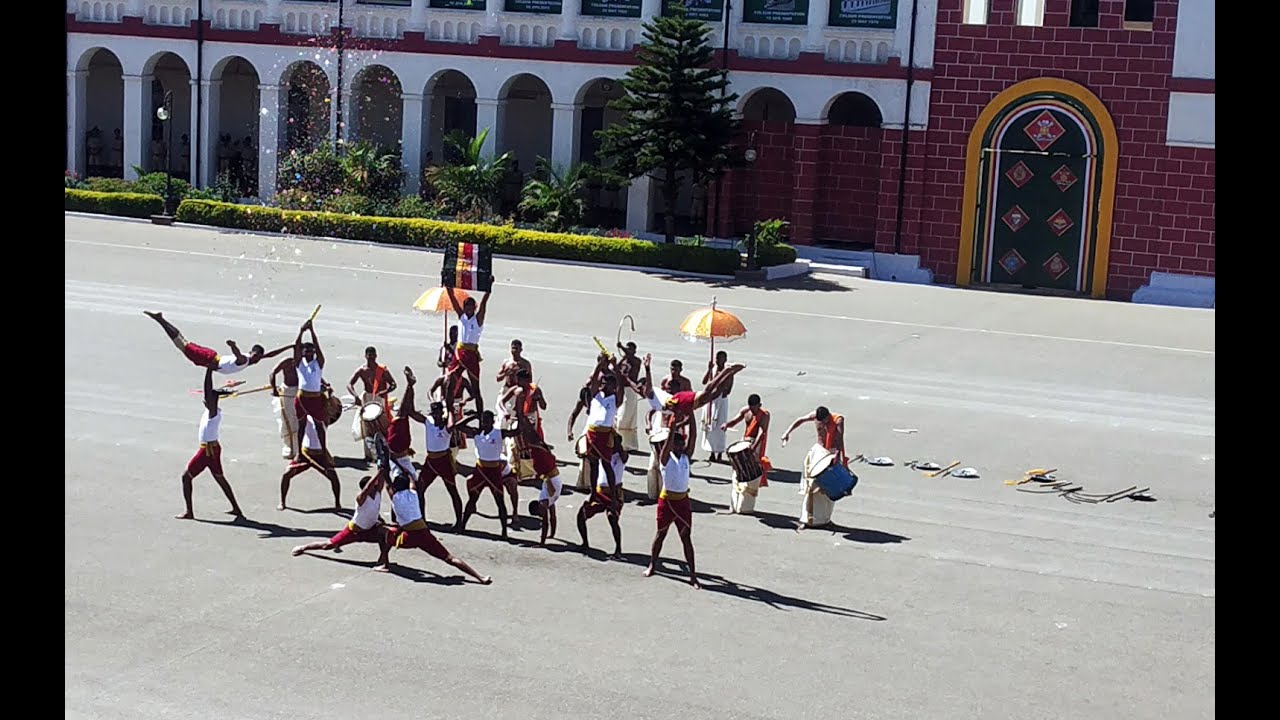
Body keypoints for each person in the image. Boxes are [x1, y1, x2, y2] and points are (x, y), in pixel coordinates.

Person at [375, 448, 493, 584]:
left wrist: (383, 464)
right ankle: (480, 578)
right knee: (449, 558)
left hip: (409, 536)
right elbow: (410, 476)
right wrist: (399, 464)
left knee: (383, 533)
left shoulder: (394, 496)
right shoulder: (414, 493)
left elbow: (386, 480)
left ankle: (384, 562)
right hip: (424, 532)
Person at [176, 367, 244, 520]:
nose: (204, 400)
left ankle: (189, 512)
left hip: (207, 451)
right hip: (212, 449)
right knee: (220, 478)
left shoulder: (213, 412)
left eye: (207, 399)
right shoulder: (211, 411)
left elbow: (208, 391)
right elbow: (211, 393)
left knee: (186, 477)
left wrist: (209, 372)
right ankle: (236, 508)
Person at [644, 414, 700, 589]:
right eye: (678, 443)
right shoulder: (665, 459)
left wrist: (690, 416)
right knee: (661, 534)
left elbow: (693, 437)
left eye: (682, 444)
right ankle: (652, 565)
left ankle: (692, 575)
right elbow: (667, 446)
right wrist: (673, 426)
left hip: (683, 501)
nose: (682, 446)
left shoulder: (685, 458)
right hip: (667, 501)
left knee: (686, 538)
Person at [145, 311, 287, 374]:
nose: (257, 359)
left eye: (258, 357)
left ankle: (161, 320)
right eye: (256, 356)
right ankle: (160, 320)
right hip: (209, 358)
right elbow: (238, 356)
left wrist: (290, 346)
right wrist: (233, 346)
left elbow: (271, 355)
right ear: (251, 352)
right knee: (182, 344)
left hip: (209, 358)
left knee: (183, 343)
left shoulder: (253, 360)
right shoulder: (246, 359)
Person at [290, 470, 389, 560]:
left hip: (370, 529)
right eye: (373, 486)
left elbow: (382, 479)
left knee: (386, 537)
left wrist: (383, 467)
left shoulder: (377, 493)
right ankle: (303, 547)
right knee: (327, 545)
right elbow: (367, 488)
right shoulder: (361, 498)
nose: (376, 487)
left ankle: (383, 559)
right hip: (354, 531)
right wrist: (379, 472)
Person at [455, 410, 521, 539]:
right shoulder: (476, 432)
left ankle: (504, 532)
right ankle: (462, 526)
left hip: (494, 471)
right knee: (472, 499)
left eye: (487, 421)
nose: (484, 423)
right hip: (480, 469)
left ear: (492, 421)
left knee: (499, 501)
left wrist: (520, 419)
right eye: (483, 421)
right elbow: (458, 426)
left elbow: (517, 432)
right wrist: (472, 416)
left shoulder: (499, 433)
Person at [278, 415, 343, 511]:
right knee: (286, 474)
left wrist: (325, 455)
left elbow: (322, 429)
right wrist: (299, 452)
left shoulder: (323, 417)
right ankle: (282, 502)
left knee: (333, 477)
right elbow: (300, 430)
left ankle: (337, 503)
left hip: (320, 454)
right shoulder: (305, 417)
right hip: (305, 453)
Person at [663, 363, 746, 436]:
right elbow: (685, 417)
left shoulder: (673, 400)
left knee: (708, 390)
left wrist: (677, 423)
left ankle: (726, 370)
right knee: (717, 393)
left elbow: (672, 407)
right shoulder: (675, 400)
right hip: (694, 404)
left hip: (693, 399)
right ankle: (731, 373)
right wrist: (678, 423)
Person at [445, 286, 492, 413]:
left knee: (476, 388)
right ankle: (448, 411)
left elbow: (483, 304)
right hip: (459, 353)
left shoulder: (478, 319)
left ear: (474, 308)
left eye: (471, 307)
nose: (469, 309)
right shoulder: (461, 316)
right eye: (467, 307)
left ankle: (480, 415)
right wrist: (449, 289)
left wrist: (488, 289)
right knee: (450, 382)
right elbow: (453, 300)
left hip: (471, 354)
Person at [347, 346, 396, 461]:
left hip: (379, 398)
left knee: (382, 424)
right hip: (367, 398)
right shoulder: (362, 370)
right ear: (365, 356)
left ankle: (386, 451)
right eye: (369, 356)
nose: (371, 358)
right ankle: (369, 454)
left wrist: (385, 391)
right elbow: (350, 384)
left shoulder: (382, 370)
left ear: (376, 356)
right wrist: (355, 396)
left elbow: (393, 384)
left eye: (373, 356)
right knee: (367, 426)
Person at [291, 320, 331, 455]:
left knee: (320, 426)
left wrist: (312, 331)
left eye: (311, 351)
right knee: (301, 426)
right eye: (306, 351)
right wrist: (301, 331)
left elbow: (318, 348)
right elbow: (296, 347)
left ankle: (324, 451)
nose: (309, 353)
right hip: (302, 398)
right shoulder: (299, 363)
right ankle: (299, 453)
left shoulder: (318, 363)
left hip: (316, 398)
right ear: (303, 352)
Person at [723, 393, 772, 488]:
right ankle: (741, 476)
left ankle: (755, 480)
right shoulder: (746, 411)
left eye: (754, 407)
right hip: (746, 438)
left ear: (759, 405)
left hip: (757, 440)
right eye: (751, 407)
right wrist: (727, 425)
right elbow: (735, 421)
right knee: (738, 457)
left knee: (755, 461)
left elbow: (762, 432)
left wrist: (754, 446)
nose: (752, 410)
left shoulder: (764, 415)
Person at [781, 406, 847, 468]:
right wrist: (787, 433)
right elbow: (800, 420)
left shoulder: (838, 420)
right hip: (820, 449)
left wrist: (836, 454)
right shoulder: (815, 416)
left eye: (825, 420)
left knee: (832, 471)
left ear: (828, 415)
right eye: (821, 421)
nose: (823, 423)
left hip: (833, 450)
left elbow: (839, 439)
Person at [700, 351, 735, 462]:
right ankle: (711, 452)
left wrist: (720, 386)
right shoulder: (713, 369)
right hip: (711, 400)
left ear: (724, 359)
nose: (717, 361)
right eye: (716, 358)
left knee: (720, 427)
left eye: (720, 358)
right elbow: (704, 382)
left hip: (721, 401)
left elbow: (728, 390)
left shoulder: (728, 371)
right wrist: (709, 369)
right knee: (709, 426)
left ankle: (719, 452)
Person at [269, 355, 301, 459]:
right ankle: (291, 448)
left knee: (300, 420)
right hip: (287, 392)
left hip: (300, 392)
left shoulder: (305, 362)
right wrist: (274, 388)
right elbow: (272, 372)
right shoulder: (287, 361)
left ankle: (301, 449)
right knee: (288, 421)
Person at [615, 341, 644, 452]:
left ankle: (628, 444)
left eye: (630, 349)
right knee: (618, 415)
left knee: (625, 417)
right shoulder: (623, 361)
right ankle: (619, 443)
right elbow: (616, 370)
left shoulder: (636, 361)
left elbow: (630, 356)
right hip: (620, 390)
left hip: (630, 390)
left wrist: (622, 347)